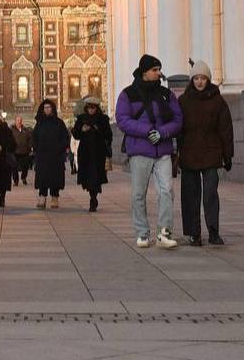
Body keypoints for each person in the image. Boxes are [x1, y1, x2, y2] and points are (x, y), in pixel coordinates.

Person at [116, 54, 183, 249]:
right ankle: (142, 232)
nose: (159, 73)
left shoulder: (166, 94)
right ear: (144, 72)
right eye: (155, 70)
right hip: (139, 149)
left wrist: (162, 132)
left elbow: (178, 119)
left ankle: (164, 231)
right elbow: (122, 119)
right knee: (138, 193)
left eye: (159, 69)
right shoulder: (128, 94)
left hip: (162, 149)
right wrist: (147, 131)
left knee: (167, 191)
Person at [177, 61, 234, 246]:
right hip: (189, 154)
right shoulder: (184, 101)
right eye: (196, 78)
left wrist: (228, 155)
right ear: (192, 79)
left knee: (210, 194)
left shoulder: (218, 101)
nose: (200, 82)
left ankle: (213, 231)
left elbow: (225, 130)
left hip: (211, 153)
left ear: (208, 80)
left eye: (203, 78)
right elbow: (178, 129)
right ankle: (194, 233)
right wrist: (176, 154)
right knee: (190, 195)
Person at [72, 97, 113, 212]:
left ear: (97, 108)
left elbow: (108, 135)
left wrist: (98, 130)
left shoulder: (103, 119)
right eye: (89, 108)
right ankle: (92, 195)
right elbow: (75, 134)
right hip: (85, 153)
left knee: (96, 177)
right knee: (88, 177)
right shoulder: (81, 119)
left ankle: (93, 198)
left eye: (93, 108)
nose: (91, 110)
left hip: (98, 153)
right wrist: (81, 130)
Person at [32, 98, 70, 209]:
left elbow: (65, 137)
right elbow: (34, 138)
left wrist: (60, 148)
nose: (47, 110)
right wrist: (36, 148)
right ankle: (42, 196)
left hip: (56, 156)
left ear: (52, 109)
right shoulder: (39, 124)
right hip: (42, 156)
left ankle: (54, 197)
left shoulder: (59, 123)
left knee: (55, 177)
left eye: (49, 107)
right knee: (42, 177)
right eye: (45, 108)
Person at [10, 116, 34, 186]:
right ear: (15, 121)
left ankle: (24, 177)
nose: (19, 122)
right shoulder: (11, 130)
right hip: (14, 152)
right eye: (17, 120)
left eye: (20, 120)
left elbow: (30, 139)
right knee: (14, 167)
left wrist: (29, 146)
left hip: (24, 151)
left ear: (21, 121)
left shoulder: (25, 130)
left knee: (25, 166)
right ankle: (16, 180)